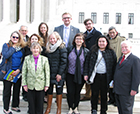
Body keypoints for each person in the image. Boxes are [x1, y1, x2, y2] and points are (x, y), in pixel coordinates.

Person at [84, 35, 117, 114]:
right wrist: (86, 74)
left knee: (104, 95)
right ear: (97, 42)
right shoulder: (93, 50)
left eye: (103, 41)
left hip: (106, 76)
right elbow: (87, 63)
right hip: (95, 76)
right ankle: (94, 109)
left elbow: (114, 66)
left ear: (106, 42)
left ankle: (103, 110)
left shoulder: (111, 52)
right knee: (94, 94)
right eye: (100, 41)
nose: (101, 43)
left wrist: (113, 78)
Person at [22, 42, 50, 114]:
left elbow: (47, 73)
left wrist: (47, 85)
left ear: (39, 49)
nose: (35, 50)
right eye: (34, 48)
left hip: (40, 85)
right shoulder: (27, 59)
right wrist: (24, 84)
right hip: (30, 84)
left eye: (37, 48)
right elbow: (24, 72)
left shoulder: (44, 59)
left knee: (39, 105)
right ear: (31, 49)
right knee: (31, 105)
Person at [2, 31, 26, 114]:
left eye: (17, 37)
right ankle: (6, 108)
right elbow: (6, 55)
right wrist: (13, 47)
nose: (15, 39)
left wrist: (19, 69)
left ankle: (14, 106)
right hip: (9, 72)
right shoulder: (7, 45)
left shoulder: (22, 48)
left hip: (17, 72)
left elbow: (23, 60)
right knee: (7, 90)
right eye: (13, 37)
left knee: (16, 90)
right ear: (10, 37)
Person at [113, 40, 140, 114]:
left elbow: (136, 76)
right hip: (118, 89)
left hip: (127, 90)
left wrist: (134, 89)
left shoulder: (135, 59)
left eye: (126, 47)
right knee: (120, 109)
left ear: (131, 47)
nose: (124, 48)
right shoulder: (121, 58)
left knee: (126, 110)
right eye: (122, 47)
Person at [44, 32, 67, 114]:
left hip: (59, 74)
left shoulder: (62, 47)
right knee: (49, 91)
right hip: (49, 74)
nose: (52, 40)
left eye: (54, 38)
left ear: (57, 38)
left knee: (59, 91)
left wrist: (60, 74)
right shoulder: (48, 48)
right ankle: (48, 108)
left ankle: (59, 109)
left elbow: (64, 61)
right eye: (50, 38)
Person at [66, 33, 89, 114]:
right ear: (74, 40)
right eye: (77, 39)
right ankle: (70, 107)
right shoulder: (69, 49)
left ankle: (75, 107)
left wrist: (86, 74)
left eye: (80, 39)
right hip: (70, 74)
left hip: (81, 75)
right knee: (70, 92)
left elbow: (87, 64)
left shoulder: (86, 51)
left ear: (83, 41)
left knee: (77, 92)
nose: (78, 40)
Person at [80, 18, 102, 101]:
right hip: (87, 57)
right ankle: (88, 95)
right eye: (86, 24)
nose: (88, 25)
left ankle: (99, 97)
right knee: (88, 76)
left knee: (97, 77)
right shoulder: (84, 35)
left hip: (95, 56)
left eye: (89, 24)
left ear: (92, 24)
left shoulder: (97, 33)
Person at [106, 26, 126, 106]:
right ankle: (111, 99)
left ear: (116, 32)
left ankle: (117, 100)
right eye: (110, 33)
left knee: (117, 83)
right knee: (110, 83)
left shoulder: (121, 40)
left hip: (119, 64)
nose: (112, 34)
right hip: (110, 65)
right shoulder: (107, 41)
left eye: (113, 32)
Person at [38, 22, 49, 102]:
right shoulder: (38, 37)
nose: (43, 29)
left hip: (48, 59)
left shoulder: (49, 37)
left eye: (44, 28)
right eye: (41, 28)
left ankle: (46, 95)